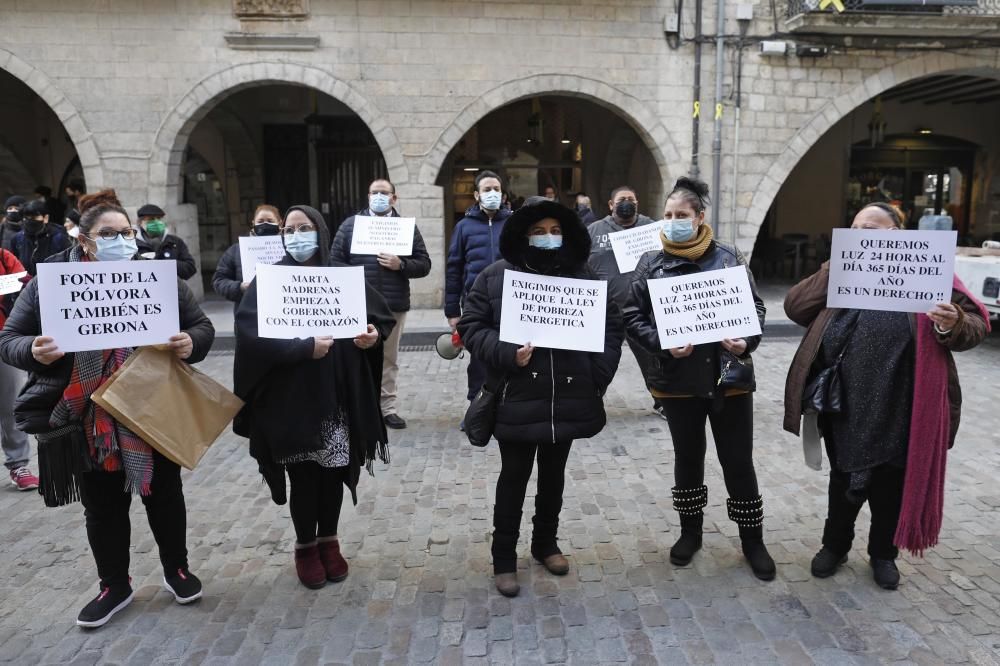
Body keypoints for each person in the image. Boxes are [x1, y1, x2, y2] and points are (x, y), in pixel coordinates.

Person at [0, 189, 215, 628]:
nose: (121, 240)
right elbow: (10, 339)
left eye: (126, 232)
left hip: (152, 405)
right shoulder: (52, 282)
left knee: (165, 493)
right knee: (101, 506)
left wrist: (191, 342)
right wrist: (34, 350)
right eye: (108, 234)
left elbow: (201, 325)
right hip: (84, 415)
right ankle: (113, 583)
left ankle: (177, 568)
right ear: (84, 238)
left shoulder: (156, 277)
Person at [783, 202, 990, 590]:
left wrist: (952, 322)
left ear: (897, 233)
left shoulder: (928, 269)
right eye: (856, 228)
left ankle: (883, 554)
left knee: (889, 486)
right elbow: (795, 307)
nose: (862, 234)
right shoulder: (843, 273)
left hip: (902, 402)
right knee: (843, 480)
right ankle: (835, 545)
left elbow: (977, 323)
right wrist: (835, 266)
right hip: (845, 401)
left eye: (872, 228)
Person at [459, 197, 623, 597]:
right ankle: (503, 559)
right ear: (523, 235)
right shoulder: (497, 276)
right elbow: (471, 325)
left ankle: (545, 544)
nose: (547, 238)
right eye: (538, 231)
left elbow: (611, 326)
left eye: (554, 231)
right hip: (517, 396)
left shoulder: (584, 278)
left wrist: (595, 375)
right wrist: (505, 353)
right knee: (512, 479)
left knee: (554, 477)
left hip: (566, 396)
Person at [233, 204, 395, 590]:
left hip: (336, 398)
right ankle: (306, 546)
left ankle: (329, 540)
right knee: (304, 478)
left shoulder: (341, 276)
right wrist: (301, 349)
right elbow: (250, 337)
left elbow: (380, 319)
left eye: (304, 227)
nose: (296, 235)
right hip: (291, 403)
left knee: (332, 474)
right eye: (290, 229)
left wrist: (371, 337)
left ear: (320, 231)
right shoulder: (270, 280)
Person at [623, 176, 775, 581]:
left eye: (681, 215)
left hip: (730, 380)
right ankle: (690, 533)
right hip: (678, 382)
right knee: (688, 459)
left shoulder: (728, 258)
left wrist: (746, 342)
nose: (673, 221)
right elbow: (631, 315)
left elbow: (756, 308)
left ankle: (752, 540)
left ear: (699, 217)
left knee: (738, 462)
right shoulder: (650, 264)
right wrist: (662, 342)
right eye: (668, 215)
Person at [331, 179, 432, 430]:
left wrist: (402, 265)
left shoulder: (405, 228)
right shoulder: (350, 226)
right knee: (354, 355)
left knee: (389, 358)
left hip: (392, 304)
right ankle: (356, 407)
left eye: (384, 193)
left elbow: (424, 263)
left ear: (393, 198)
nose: (378, 196)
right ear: (368, 196)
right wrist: (353, 278)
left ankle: (387, 408)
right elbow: (334, 261)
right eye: (374, 192)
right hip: (356, 304)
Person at [445, 170, 513, 421]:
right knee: (479, 360)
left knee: (507, 356)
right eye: (487, 189)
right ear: (476, 195)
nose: (492, 193)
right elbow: (454, 268)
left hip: (510, 302)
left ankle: (505, 408)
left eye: (496, 189)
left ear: (503, 194)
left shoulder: (513, 224)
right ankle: (477, 410)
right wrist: (452, 310)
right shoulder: (464, 227)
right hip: (476, 304)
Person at [587, 185, 660, 415]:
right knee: (601, 359)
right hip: (606, 312)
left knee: (653, 359)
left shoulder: (651, 228)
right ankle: (591, 400)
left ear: (637, 203)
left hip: (643, 310)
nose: (627, 202)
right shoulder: (594, 231)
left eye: (631, 199)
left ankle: (663, 401)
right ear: (611, 205)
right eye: (621, 199)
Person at [0, 246, 37, 491]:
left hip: (3, 337)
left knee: (11, 402)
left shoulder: (3, 256)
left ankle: (18, 464)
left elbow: (27, 284)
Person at [212, 204, 282, 313]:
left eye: (270, 220)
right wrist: (239, 287)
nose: (265, 224)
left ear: (280, 223)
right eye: (260, 221)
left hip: (282, 312)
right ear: (253, 223)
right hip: (248, 315)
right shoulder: (237, 250)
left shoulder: (289, 247)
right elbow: (219, 280)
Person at [135, 204, 197, 280]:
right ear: (140, 222)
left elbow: (190, 269)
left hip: (172, 289)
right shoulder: (133, 245)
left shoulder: (175, 242)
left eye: (159, 218)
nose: (156, 222)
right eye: (151, 219)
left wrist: (167, 264)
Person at [11, 199, 71, 276]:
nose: (30, 221)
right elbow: (14, 266)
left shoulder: (59, 238)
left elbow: (67, 265)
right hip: (25, 285)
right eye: (26, 217)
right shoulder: (17, 239)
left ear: (45, 218)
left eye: (34, 217)